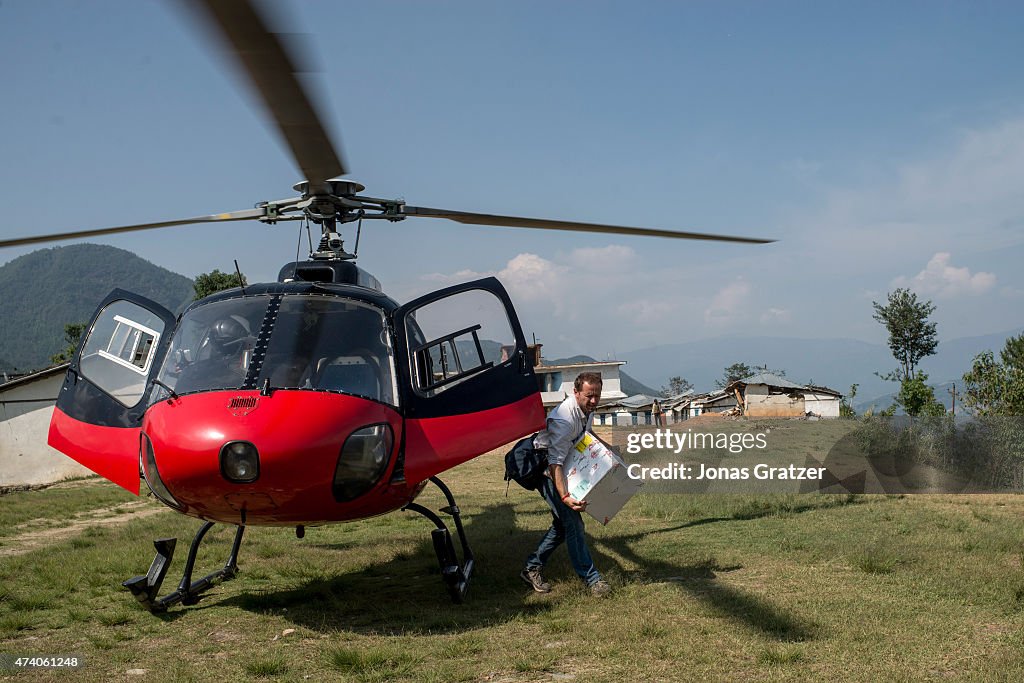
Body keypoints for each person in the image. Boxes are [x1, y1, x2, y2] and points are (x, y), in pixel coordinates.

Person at [520, 371, 611, 597]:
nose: (593, 401)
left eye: (597, 396)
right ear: (576, 392)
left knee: (563, 526)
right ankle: (592, 580)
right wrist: (564, 497)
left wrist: (611, 454)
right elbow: (554, 463)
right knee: (573, 522)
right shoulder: (564, 419)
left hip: (560, 464)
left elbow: (587, 436)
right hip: (545, 468)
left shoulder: (586, 411)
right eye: (589, 395)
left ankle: (532, 567)